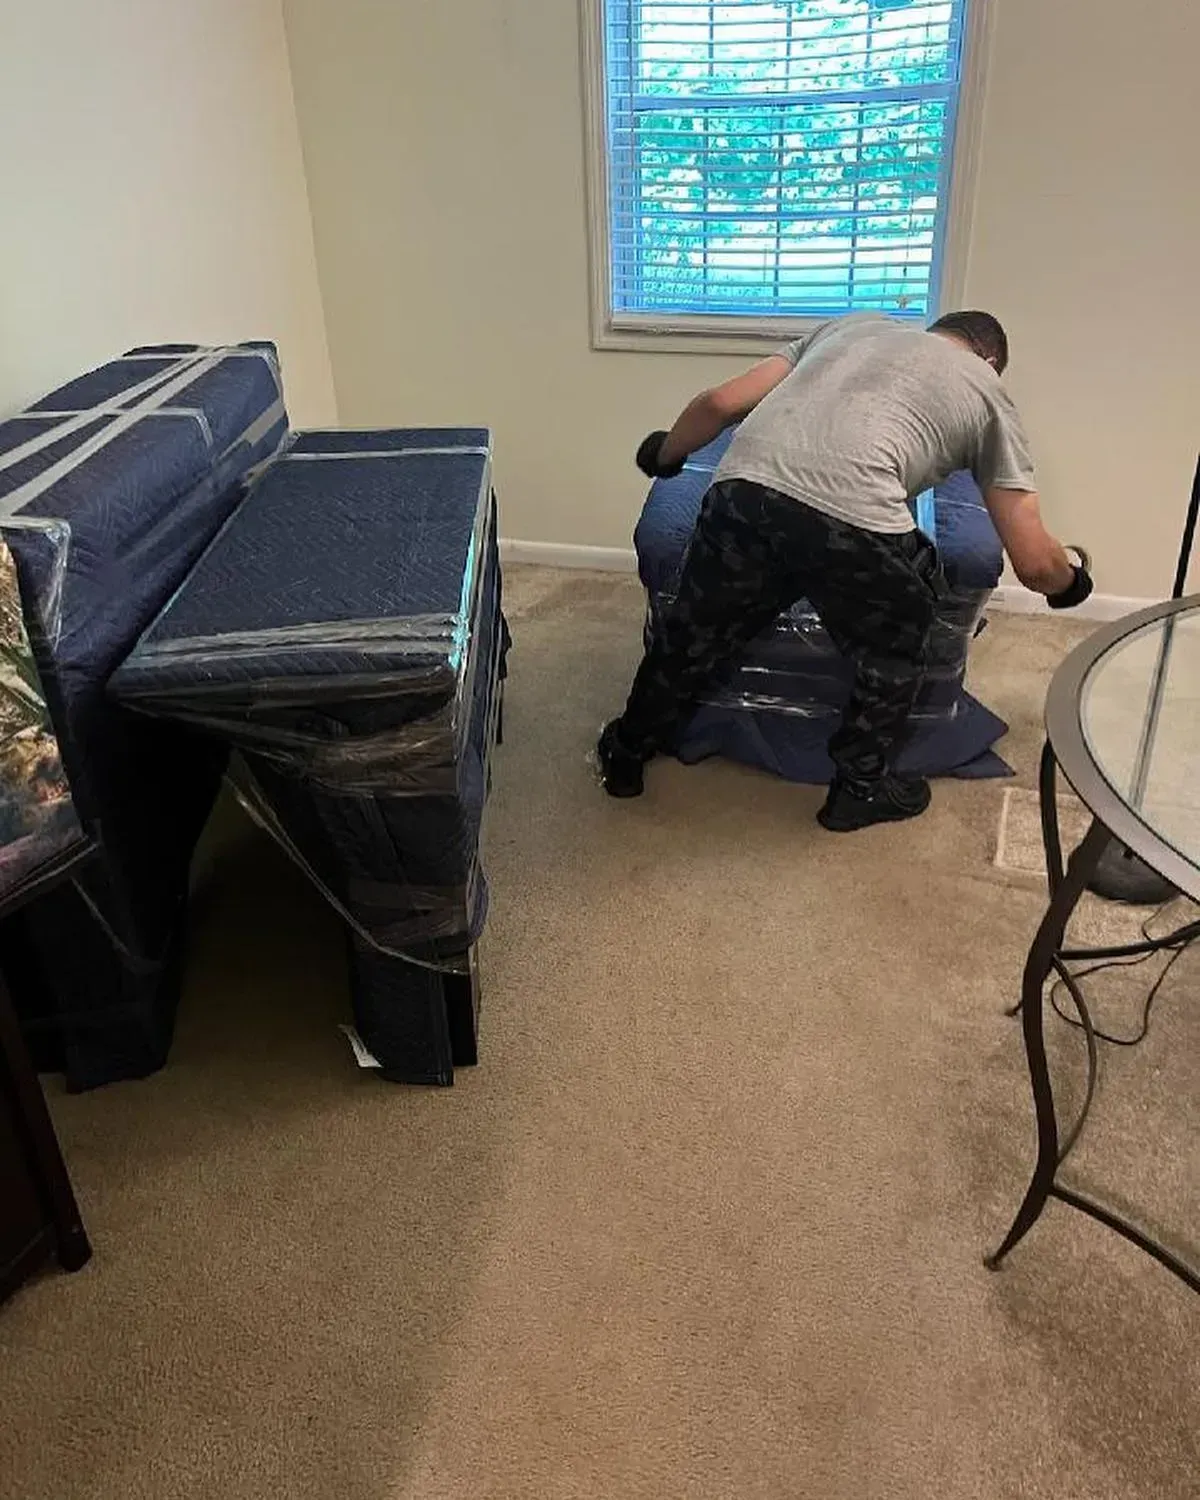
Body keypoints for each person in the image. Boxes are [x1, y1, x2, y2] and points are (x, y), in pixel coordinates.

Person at [597, 310, 1093, 831]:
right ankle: (859, 789)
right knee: (898, 645)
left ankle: (626, 752)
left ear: (934, 333)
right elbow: (1035, 562)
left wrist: (664, 454)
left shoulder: (850, 328)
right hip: (855, 522)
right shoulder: (988, 390)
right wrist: (1072, 584)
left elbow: (720, 403)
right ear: (991, 359)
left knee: (692, 633)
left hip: (745, 491)